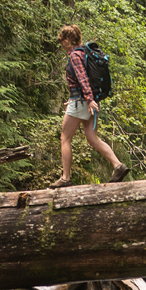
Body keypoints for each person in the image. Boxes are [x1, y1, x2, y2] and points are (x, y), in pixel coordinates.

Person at [50, 23, 130, 188]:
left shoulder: (74, 56)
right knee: (93, 139)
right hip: (85, 101)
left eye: (62, 41)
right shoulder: (84, 53)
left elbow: (82, 78)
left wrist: (87, 98)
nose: (62, 45)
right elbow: (81, 80)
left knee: (65, 138)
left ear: (67, 40)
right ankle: (118, 165)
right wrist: (83, 98)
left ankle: (65, 178)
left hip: (83, 102)